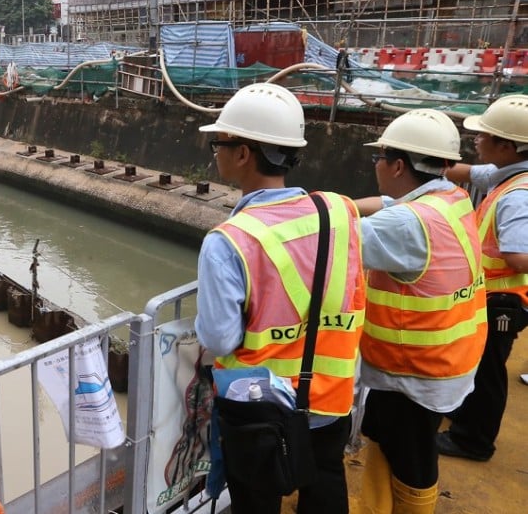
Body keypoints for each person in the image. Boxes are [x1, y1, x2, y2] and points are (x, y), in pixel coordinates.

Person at [194, 82, 366, 514]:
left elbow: (218, 340)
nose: (216, 151)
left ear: (243, 154)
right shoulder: (340, 211)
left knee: (255, 500)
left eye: (220, 142)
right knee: (325, 484)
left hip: (259, 408)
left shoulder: (229, 240)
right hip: (331, 398)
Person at [354, 109, 487, 513]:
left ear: (396, 165)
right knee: (389, 443)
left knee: (411, 460)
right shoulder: (450, 198)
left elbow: (328, 242)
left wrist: (308, 210)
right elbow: (391, 202)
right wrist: (343, 203)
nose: (376, 165)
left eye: (379, 157)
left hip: (412, 371)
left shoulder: (406, 224)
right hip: (444, 362)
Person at [436, 94, 528, 462]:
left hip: (503, 301)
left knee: (489, 370)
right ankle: (463, 416)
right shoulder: (508, 170)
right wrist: (424, 157)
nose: (475, 139)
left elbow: (519, 257)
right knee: (476, 361)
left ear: (506, 146)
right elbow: (469, 173)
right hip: (487, 298)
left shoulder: (518, 196)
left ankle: (473, 441)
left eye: (483, 135)